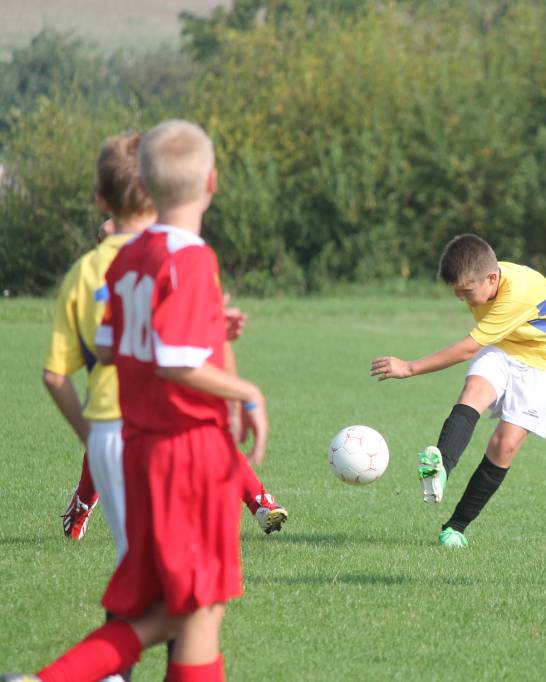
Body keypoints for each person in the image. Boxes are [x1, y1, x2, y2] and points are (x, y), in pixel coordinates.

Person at [7, 119, 270, 682]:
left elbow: (108, 344)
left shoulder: (126, 256)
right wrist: (247, 392)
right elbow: (172, 359)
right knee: (198, 612)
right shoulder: (190, 256)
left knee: (173, 610)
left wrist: (205, 326)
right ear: (212, 183)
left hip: (141, 446)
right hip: (188, 451)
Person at [47, 134, 288, 544]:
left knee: (150, 558)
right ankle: (85, 504)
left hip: (140, 419)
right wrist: (245, 393)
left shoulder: (144, 258)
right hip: (143, 413)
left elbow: (100, 350)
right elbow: (168, 356)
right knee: (176, 563)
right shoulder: (173, 256)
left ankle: (260, 502)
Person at [371, 234, 546, 548]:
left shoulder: (517, 293)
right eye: (456, 292)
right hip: (505, 346)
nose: (462, 298)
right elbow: (479, 337)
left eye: (466, 291)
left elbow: (468, 349)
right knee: (474, 392)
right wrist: (468, 292)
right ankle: (440, 468)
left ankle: (455, 528)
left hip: (545, 362)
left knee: (504, 445)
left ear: (492, 279)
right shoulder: (482, 276)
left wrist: (409, 367)